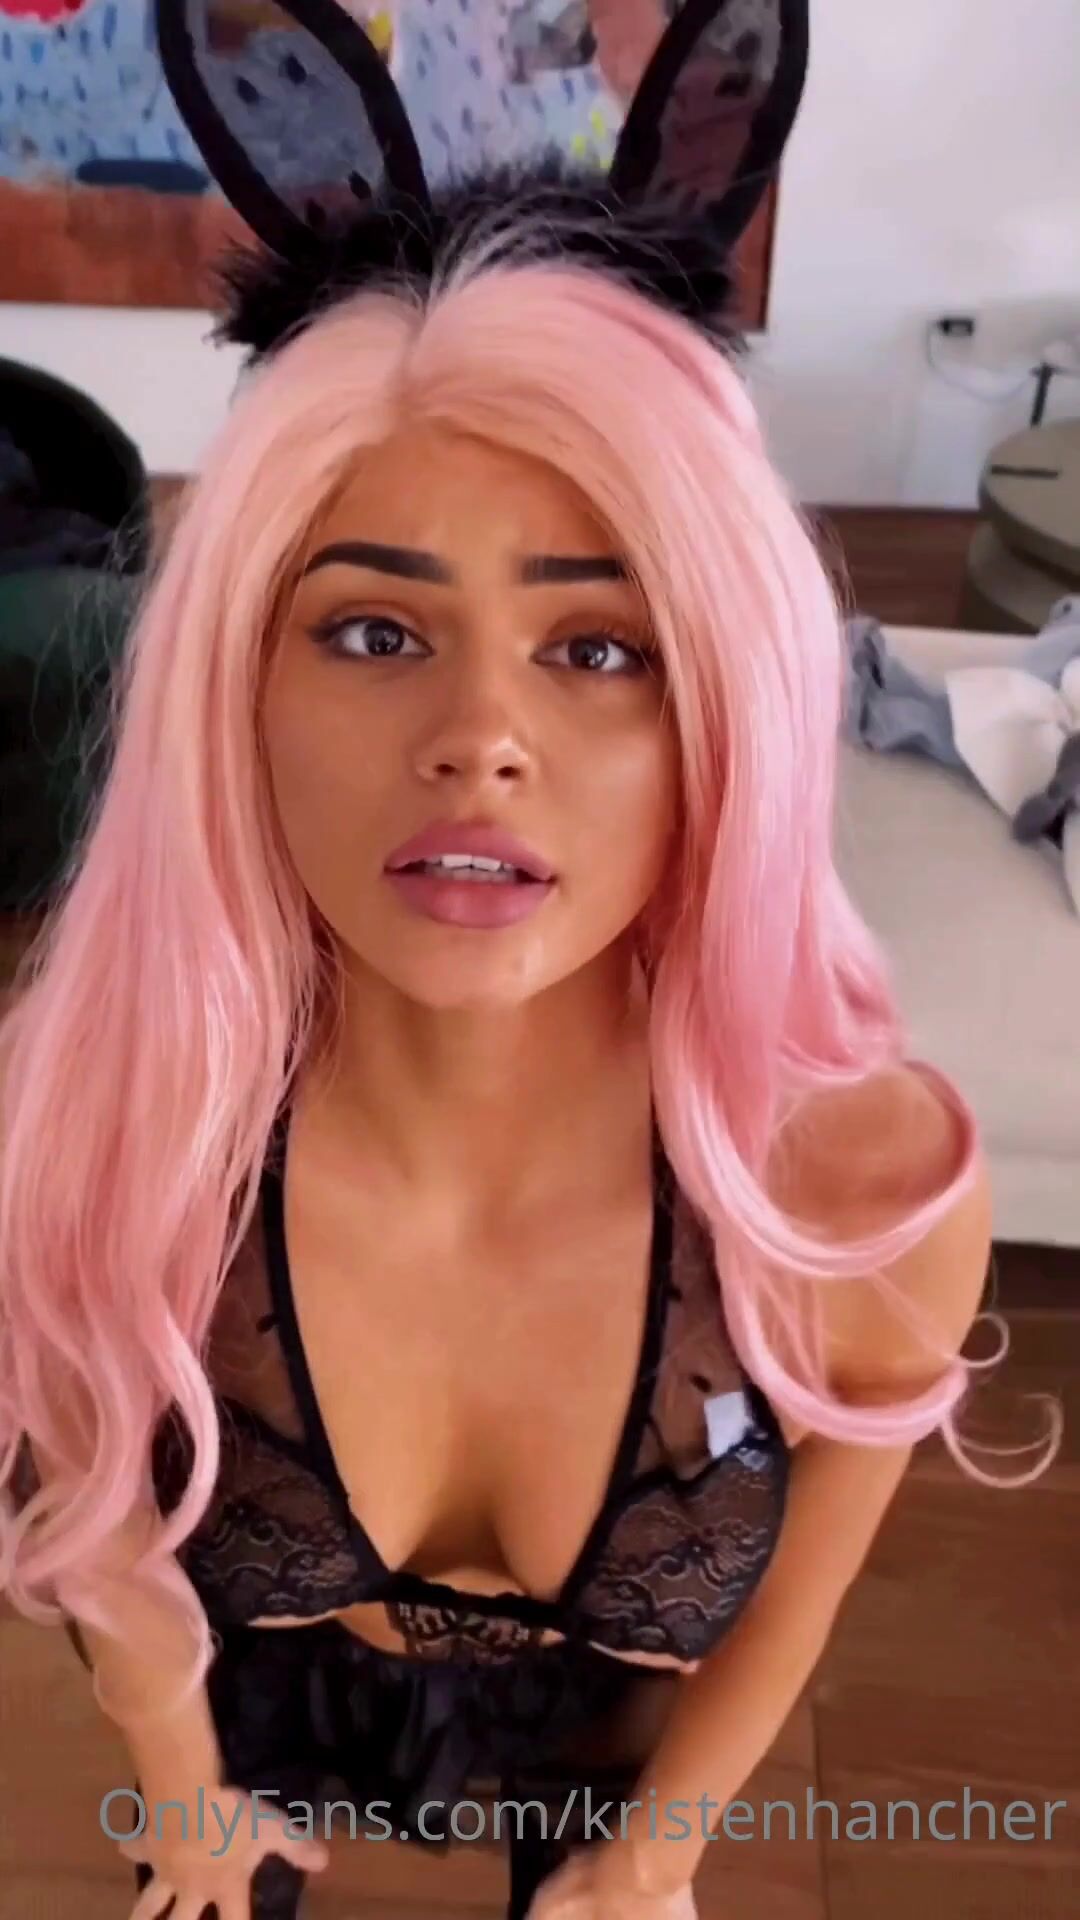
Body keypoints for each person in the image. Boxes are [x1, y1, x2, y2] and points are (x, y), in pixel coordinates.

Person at [0, 5, 1059, 1918]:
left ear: (730, 705)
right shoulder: (102, 1123)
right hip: (255, 1706)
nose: (481, 738)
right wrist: (180, 1796)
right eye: (373, 634)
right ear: (234, 688)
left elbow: (795, 1608)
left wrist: (652, 1865)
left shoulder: (863, 1190)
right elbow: (106, 1555)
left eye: (601, 649)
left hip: (610, 1754)